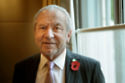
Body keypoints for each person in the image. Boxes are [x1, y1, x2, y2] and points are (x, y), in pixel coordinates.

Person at [13, 5, 105, 83]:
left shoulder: (90, 69)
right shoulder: (22, 69)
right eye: (43, 27)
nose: (49, 35)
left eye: (57, 28)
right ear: (34, 32)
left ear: (68, 35)